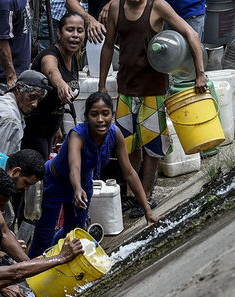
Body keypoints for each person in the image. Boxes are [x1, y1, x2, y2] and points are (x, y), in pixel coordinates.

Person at [98, 0, 206, 218]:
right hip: (126, 88)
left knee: (153, 146)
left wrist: (200, 74)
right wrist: (101, 85)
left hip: (153, 90)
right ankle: (131, 194)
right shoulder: (116, 8)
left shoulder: (158, 6)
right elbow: (108, 46)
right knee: (128, 145)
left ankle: (145, 195)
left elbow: (191, 34)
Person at [28, 92, 161, 258]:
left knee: (74, 236)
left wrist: (148, 211)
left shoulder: (115, 134)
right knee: (43, 238)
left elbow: (129, 172)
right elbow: (74, 165)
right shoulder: (77, 135)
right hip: (54, 183)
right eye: (94, 114)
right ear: (87, 117)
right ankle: (28, 277)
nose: (100, 119)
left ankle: (53, 262)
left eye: (105, 114)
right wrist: (76, 188)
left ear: (112, 114)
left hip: (83, 186)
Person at [24, 13, 85, 161]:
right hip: (34, 129)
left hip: (50, 129)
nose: (75, 35)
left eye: (80, 30)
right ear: (59, 33)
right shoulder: (49, 55)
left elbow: (54, 100)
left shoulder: (73, 57)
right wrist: (61, 84)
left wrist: (57, 126)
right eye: (70, 30)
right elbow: (52, 72)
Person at [0, 0, 32, 104]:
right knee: (1, 117)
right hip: (5, 79)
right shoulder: (6, 3)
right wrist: (11, 77)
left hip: (19, 73)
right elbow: (1, 41)